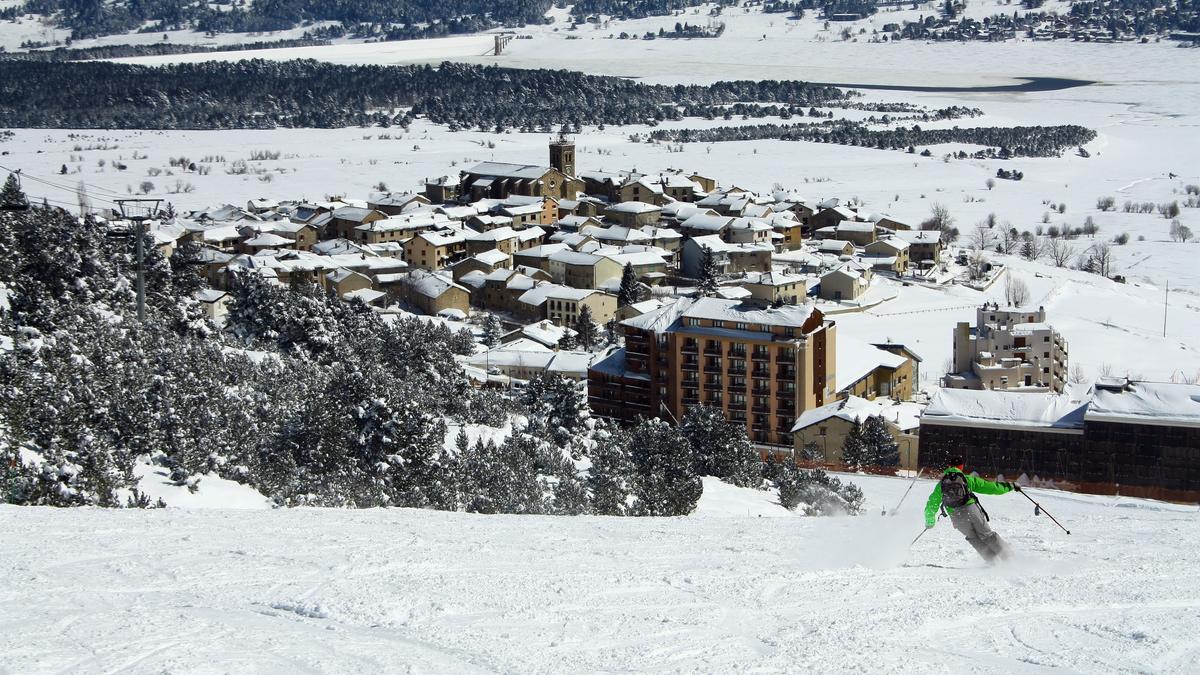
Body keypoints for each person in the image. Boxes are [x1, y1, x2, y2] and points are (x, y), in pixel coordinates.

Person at [924, 456, 1020, 562]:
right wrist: (1010, 486)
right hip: (971, 510)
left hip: (956, 516)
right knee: (987, 535)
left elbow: (932, 503)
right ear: (961, 467)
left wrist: (930, 521)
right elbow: (991, 487)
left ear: (949, 466)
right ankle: (1009, 558)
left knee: (973, 538)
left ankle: (993, 562)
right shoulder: (967, 479)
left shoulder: (941, 484)